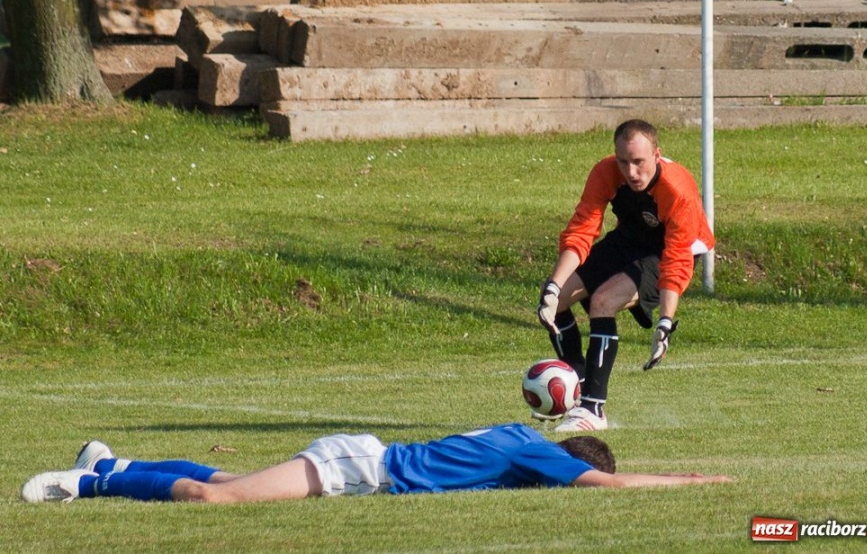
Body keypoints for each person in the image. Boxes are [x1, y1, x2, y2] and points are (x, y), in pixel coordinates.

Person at [21, 423, 730, 503]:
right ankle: (87, 485)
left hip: (362, 457)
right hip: (363, 468)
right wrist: (692, 481)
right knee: (222, 502)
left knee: (232, 481)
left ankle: (116, 463)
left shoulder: (520, 437)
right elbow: (610, 483)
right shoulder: (537, 454)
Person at [537, 119, 714, 432]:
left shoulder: (678, 190)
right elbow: (581, 231)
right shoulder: (605, 172)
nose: (631, 172)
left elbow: (677, 260)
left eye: (639, 162)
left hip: (669, 251)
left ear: (657, 155)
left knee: (602, 302)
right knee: (559, 298)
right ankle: (576, 382)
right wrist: (553, 287)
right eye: (623, 161)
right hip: (630, 238)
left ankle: (592, 410)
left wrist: (665, 322)